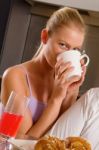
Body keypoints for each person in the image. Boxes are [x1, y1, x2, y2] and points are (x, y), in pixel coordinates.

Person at [1, 7, 99, 150]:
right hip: (24, 147)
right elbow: (23, 143)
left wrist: (70, 92)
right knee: (95, 97)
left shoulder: (65, 80)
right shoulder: (15, 75)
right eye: (63, 45)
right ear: (45, 37)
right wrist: (57, 98)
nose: (69, 54)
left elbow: (66, 132)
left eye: (75, 50)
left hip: (55, 146)